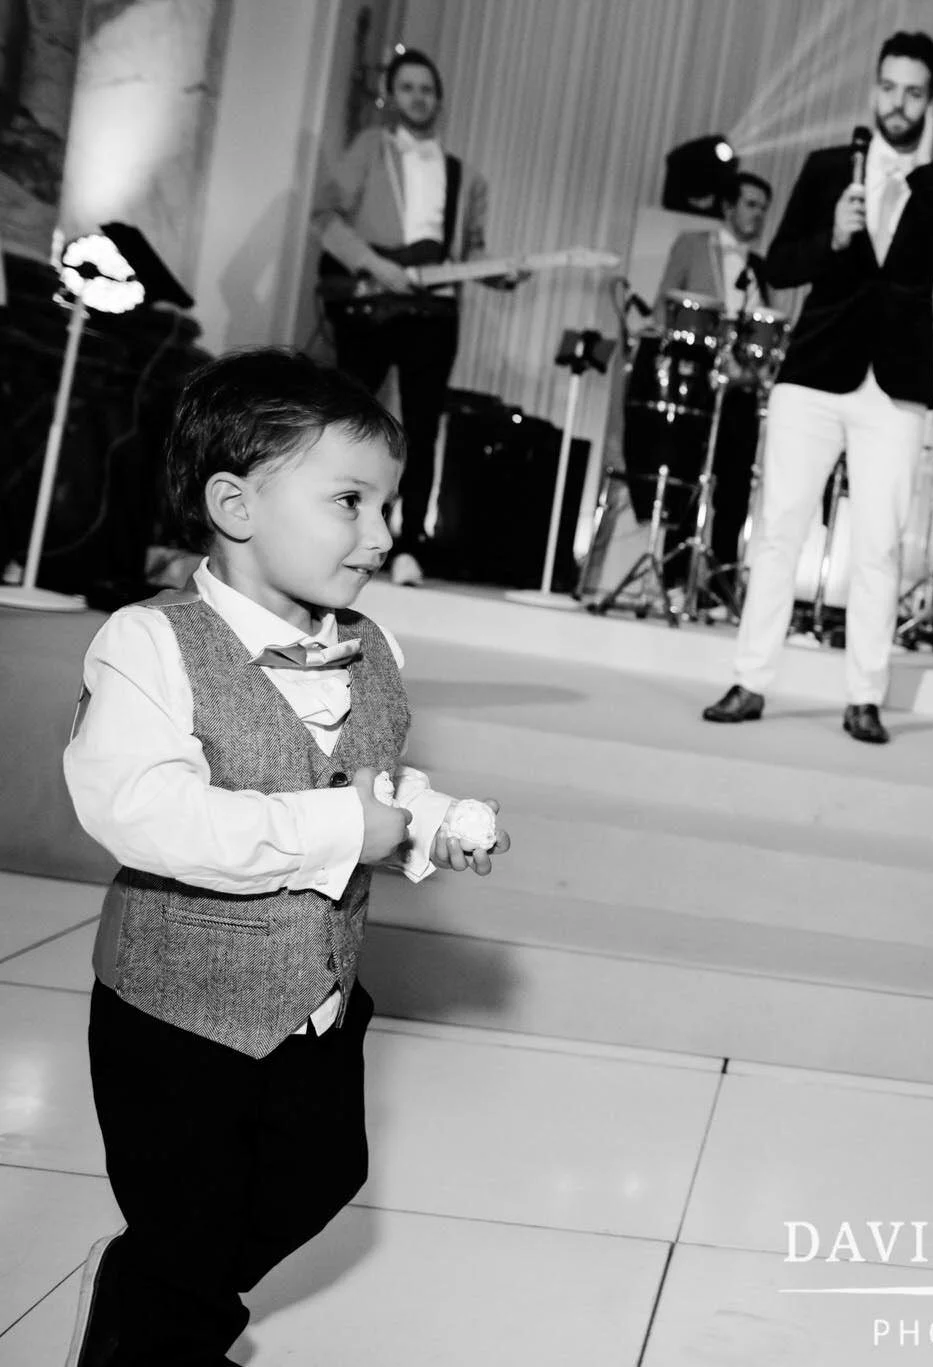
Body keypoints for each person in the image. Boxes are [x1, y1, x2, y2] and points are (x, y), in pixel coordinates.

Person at [60, 350, 511, 1367]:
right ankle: (158, 1322)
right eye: (350, 501)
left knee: (322, 1173)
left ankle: (154, 1292)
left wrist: (431, 816)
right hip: (175, 1012)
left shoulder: (371, 646)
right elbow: (145, 813)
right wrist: (342, 828)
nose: (382, 534)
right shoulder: (149, 642)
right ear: (235, 505)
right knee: (186, 1228)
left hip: (317, 1003)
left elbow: (366, 777)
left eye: (387, 505)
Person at [702, 31, 933, 744]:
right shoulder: (828, 168)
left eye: (913, 93)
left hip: (895, 388)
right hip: (814, 372)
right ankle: (750, 680)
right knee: (778, 530)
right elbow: (781, 266)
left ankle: (864, 696)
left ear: (931, 101)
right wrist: (830, 234)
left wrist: (922, 175)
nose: (897, 103)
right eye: (888, 88)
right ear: (873, 91)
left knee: (879, 547)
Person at [311, 49, 522, 588]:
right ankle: (331, 531)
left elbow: (471, 251)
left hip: (435, 311)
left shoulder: (466, 177)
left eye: (427, 89)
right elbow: (326, 216)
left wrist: (502, 274)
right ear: (391, 96)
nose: (418, 97)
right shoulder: (368, 148)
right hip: (372, 304)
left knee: (423, 427)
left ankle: (408, 545)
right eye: (407, 87)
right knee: (351, 421)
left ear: (439, 100)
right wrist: (375, 265)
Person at [653, 170, 779, 610]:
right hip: (698, 385)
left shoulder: (761, 268)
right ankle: (673, 577)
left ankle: (721, 582)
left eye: (763, 208)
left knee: (735, 489)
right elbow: (664, 307)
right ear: (728, 206)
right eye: (750, 204)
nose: (757, 215)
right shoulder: (693, 245)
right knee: (687, 479)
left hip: (741, 391)